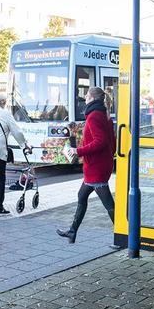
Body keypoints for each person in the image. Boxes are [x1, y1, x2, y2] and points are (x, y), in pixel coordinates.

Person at [56, 87, 116, 243]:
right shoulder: (104, 115)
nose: (85, 99)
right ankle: (72, 231)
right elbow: (112, 142)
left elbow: (100, 141)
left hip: (96, 166)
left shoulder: (94, 116)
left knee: (108, 202)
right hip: (98, 165)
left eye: (87, 96)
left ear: (93, 99)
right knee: (81, 195)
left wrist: (78, 151)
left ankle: (124, 235)